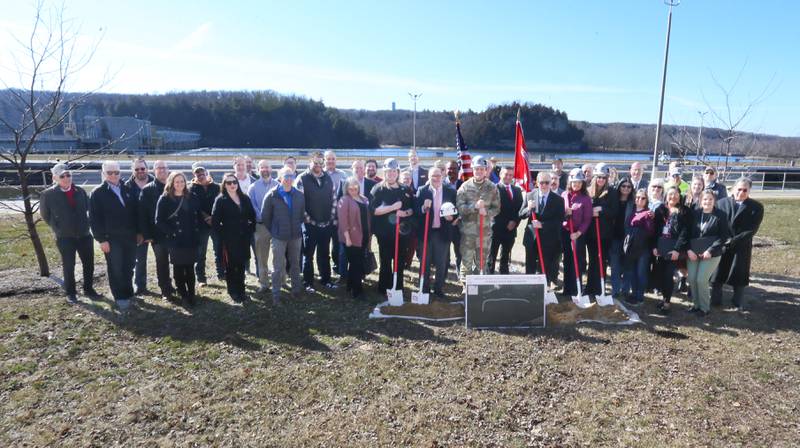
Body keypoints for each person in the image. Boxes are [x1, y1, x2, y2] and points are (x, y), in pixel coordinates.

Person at [40, 164, 100, 303]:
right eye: (62, 176)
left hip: (84, 235)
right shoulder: (47, 195)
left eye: (68, 175)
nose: (66, 178)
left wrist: (87, 225)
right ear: (55, 178)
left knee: (89, 264)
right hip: (65, 237)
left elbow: (88, 209)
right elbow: (45, 215)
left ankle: (89, 289)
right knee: (68, 265)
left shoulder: (80, 191)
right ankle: (71, 293)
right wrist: (58, 228)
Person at [90, 161, 139, 311]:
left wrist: (138, 232)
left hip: (129, 236)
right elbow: (94, 219)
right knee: (115, 267)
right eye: (110, 173)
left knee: (129, 265)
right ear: (104, 174)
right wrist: (101, 240)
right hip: (111, 238)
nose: (113, 175)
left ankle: (128, 291)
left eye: (116, 172)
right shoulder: (97, 193)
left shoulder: (127, 188)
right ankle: (120, 296)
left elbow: (135, 213)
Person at [711, 178, 764, 311]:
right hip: (722, 244)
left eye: (745, 190)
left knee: (739, 274)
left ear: (749, 191)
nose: (741, 192)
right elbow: (716, 224)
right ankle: (715, 300)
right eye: (739, 189)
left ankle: (737, 301)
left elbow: (752, 229)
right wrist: (724, 240)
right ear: (733, 189)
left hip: (741, 246)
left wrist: (734, 241)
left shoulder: (756, 207)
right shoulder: (721, 203)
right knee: (718, 273)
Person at [156, 172, 202, 306]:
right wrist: (172, 233)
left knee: (190, 268)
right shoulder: (164, 199)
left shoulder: (192, 196)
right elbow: (159, 221)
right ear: (171, 183)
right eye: (177, 182)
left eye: (182, 181)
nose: (180, 184)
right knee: (179, 269)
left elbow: (197, 214)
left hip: (191, 237)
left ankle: (192, 294)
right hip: (176, 240)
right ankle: (183, 295)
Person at [370, 158, 414, 294]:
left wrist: (404, 213)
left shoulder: (405, 189)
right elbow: (374, 211)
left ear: (398, 172)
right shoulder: (378, 189)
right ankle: (384, 288)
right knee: (385, 260)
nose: (391, 174)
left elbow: (412, 209)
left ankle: (398, 287)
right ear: (384, 172)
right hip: (384, 233)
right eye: (388, 171)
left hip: (401, 233)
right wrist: (392, 208)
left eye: (394, 171)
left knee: (400, 261)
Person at [296, 152, 338, 292]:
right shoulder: (302, 178)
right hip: (309, 225)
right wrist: (310, 221)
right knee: (308, 255)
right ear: (310, 162)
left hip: (326, 224)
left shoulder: (328, 178)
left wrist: (331, 217)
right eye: (316, 163)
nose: (318, 166)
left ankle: (325, 279)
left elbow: (333, 199)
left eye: (321, 163)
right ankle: (308, 282)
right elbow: (300, 203)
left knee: (324, 254)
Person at [262, 167, 305, 304]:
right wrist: (275, 230)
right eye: (285, 176)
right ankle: (276, 295)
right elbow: (265, 216)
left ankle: (296, 291)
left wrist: (297, 226)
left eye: (291, 176)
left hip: (296, 236)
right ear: (279, 178)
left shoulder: (299, 195)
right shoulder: (272, 195)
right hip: (279, 237)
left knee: (295, 264)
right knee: (277, 266)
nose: (288, 179)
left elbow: (302, 214)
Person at [212, 173, 257, 303]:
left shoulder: (244, 198)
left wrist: (250, 230)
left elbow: (252, 216)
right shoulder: (221, 200)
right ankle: (233, 292)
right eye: (229, 183)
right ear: (224, 185)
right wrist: (224, 235)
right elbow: (215, 222)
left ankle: (242, 291)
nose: (232, 185)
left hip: (243, 238)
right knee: (231, 267)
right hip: (229, 240)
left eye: (234, 182)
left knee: (241, 265)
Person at [686, 190, 731, 316]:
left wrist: (710, 250)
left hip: (711, 253)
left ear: (714, 201)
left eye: (710, 199)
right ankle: (696, 305)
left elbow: (723, 237)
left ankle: (704, 308)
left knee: (701, 280)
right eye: (705, 199)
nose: (707, 202)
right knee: (692, 279)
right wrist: (689, 250)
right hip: (693, 253)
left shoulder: (721, 215)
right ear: (700, 200)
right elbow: (686, 234)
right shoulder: (694, 214)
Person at [456, 156, 501, 283]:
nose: (479, 171)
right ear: (473, 170)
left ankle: (480, 287)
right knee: (467, 261)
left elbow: (497, 208)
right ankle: (466, 288)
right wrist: (474, 207)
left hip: (484, 232)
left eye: (482, 169)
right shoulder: (465, 187)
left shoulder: (492, 187)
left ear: (486, 170)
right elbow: (459, 208)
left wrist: (486, 212)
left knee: (482, 262)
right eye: (477, 169)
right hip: (468, 232)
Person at [415, 167, 457, 298]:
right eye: (433, 176)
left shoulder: (450, 191)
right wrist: (423, 207)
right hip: (426, 231)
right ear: (429, 177)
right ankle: (424, 288)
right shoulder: (422, 191)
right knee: (425, 262)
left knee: (441, 262)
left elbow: (456, 209)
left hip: (442, 232)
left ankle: (438, 288)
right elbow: (416, 210)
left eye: (438, 175)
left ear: (442, 176)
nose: (436, 178)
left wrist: (452, 217)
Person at [519, 171, 564, 287]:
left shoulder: (558, 200)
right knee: (530, 265)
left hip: (548, 239)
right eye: (541, 182)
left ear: (550, 183)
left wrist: (543, 224)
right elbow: (520, 214)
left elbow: (559, 221)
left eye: (547, 183)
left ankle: (544, 287)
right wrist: (528, 209)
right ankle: (529, 287)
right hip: (531, 237)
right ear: (537, 183)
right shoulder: (529, 195)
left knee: (545, 265)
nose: (544, 185)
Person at [138, 160, 175, 300]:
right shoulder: (147, 189)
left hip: (175, 232)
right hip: (157, 234)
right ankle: (165, 290)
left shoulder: (175, 185)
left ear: (168, 169)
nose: (161, 170)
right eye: (158, 168)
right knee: (162, 262)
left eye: (164, 168)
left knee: (177, 260)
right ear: (154, 171)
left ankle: (175, 285)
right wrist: (147, 235)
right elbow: (142, 215)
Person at [652, 186, 692, 312]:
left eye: (675, 194)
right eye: (670, 194)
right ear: (666, 195)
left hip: (674, 249)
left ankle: (667, 302)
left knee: (669, 274)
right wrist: (654, 246)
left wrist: (677, 250)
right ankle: (664, 298)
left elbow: (685, 232)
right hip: (661, 247)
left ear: (679, 196)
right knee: (661, 274)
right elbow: (655, 230)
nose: (673, 197)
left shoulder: (684, 211)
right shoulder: (660, 210)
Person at [585, 163, 619, 299]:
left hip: (604, 233)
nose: (601, 180)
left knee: (601, 260)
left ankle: (600, 287)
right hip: (591, 233)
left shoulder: (611, 192)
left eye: (603, 178)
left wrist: (602, 210)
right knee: (592, 260)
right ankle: (589, 288)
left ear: (606, 179)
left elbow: (614, 211)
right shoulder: (588, 191)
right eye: (599, 177)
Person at [337, 177, 371, 300]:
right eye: (350, 188)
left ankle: (350, 285)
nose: (353, 190)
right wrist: (347, 238)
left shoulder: (364, 199)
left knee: (357, 262)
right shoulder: (344, 200)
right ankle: (358, 291)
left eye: (355, 187)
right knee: (356, 264)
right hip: (351, 238)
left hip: (364, 236)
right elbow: (343, 221)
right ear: (346, 188)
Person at [248, 160, 279, 293]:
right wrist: (264, 217)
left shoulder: (278, 185)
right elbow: (252, 207)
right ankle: (264, 283)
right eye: (262, 167)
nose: (265, 169)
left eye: (267, 167)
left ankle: (280, 280)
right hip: (261, 226)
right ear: (258, 169)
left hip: (277, 225)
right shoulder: (253, 187)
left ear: (271, 169)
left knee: (279, 255)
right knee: (262, 256)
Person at [561, 168, 592, 297]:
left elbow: (587, 219)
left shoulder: (585, 198)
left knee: (577, 261)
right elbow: (558, 213)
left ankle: (576, 288)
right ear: (570, 182)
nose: (576, 184)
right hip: (565, 232)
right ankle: (567, 288)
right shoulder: (564, 195)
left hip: (578, 234)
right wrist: (565, 213)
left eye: (579, 182)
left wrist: (578, 233)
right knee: (567, 260)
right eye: (574, 182)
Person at [189, 166, 223, 284]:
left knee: (218, 249)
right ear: (195, 176)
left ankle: (221, 274)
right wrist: (206, 217)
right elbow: (194, 206)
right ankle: (201, 278)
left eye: (202, 173)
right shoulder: (191, 188)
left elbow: (219, 203)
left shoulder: (216, 187)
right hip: (200, 224)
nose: (201, 176)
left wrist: (214, 217)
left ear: (206, 173)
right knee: (200, 252)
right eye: (198, 174)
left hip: (215, 222)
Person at [125, 158, 153, 295]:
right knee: (139, 260)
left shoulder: (156, 183)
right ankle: (140, 286)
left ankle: (166, 286)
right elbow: (127, 213)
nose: (140, 171)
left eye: (142, 168)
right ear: (132, 171)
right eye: (136, 169)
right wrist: (137, 232)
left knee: (163, 259)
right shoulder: (126, 186)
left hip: (155, 229)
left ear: (147, 168)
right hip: (138, 231)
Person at [487, 167, 523, 274]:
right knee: (491, 257)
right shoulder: (493, 189)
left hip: (511, 230)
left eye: (510, 175)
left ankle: (504, 279)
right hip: (496, 229)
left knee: (505, 257)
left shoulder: (517, 190)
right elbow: (490, 209)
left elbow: (520, 209)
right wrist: (505, 223)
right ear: (500, 175)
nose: (508, 177)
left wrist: (515, 222)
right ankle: (489, 279)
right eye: (506, 174)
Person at [623, 190, 655, 306]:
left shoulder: (648, 213)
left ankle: (639, 296)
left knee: (641, 272)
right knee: (632, 272)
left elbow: (651, 231)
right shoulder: (631, 211)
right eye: (637, 198)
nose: (639, 200)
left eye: (643, 198)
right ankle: (633, 293)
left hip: (642, 248)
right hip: (631, 247)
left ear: (646, 200)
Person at [609, 177, 634, 299]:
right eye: (623, 186)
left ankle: (625, 290)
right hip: (614, 237)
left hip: (628, 239)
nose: (626, 188)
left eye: (628, 186)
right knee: (615, 266)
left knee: (627, 266)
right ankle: (615, 290)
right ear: (619, 187)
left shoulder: (633, 203)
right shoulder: (613, 200)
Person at [324, 150, 347, 277]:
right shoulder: (319, 174)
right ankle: (324, 270)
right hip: (322, 216)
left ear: (336, 160)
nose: (330, 161)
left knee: (337, 244)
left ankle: (337, 267)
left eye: (333, 159)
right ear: (324, 160)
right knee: (323, 245)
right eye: (328, 159)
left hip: (337, 217)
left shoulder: (342, 175)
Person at [444, 160, 463, 271]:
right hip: (444, 225)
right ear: (445, 170)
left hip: (459, 225)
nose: (452, 171)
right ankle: (443, 276)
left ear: (458, 170)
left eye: (454, 168)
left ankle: (461, 276)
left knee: (459, 254)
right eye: (449, 168)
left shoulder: (464, 185)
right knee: (444, 254)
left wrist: (458, 218)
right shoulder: (440, 185)